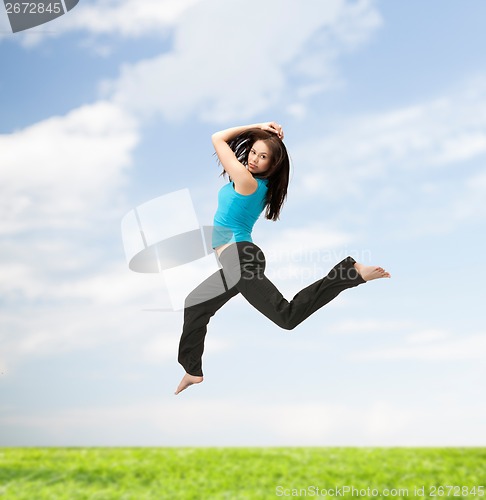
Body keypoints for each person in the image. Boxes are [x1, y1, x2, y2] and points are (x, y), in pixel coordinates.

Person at [175, 122, 390, 395]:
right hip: (234, 262)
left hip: (241, 259)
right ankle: (192, 370)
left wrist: (256, 126)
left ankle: (350, 273)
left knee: (286, 317)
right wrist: (263, 131)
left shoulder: (246, 181)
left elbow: (217, 138)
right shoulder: (253, 182)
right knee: (195, 304)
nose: (254, 159)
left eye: (262, 157)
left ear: (272, 165)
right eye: (253, 152)